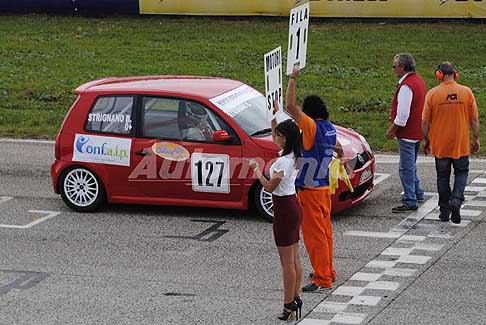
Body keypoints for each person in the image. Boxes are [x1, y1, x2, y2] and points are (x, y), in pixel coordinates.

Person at [286, 67, 343, 293]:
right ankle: (328, 270)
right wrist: (341, 155)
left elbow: (290, 107)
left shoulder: (310, 126)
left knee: (314, 236)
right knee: (325, 233)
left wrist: (292, 78)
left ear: (309, 113)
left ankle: (322, 279)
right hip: (323, 187)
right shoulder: (329, 127)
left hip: (310, 190)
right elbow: (337, 148)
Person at [249, 100, 303, 321]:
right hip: (293, 205)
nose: (274, 137)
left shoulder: (281, 163)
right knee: (296, 258)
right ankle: (296, 297)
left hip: (283, 209)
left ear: (285, 139)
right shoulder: (293, 156)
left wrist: (257, 172)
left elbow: (270, 186)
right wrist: (274, 116)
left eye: (278, 135)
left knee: (286, 263)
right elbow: (276, 134)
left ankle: (288, 303)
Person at [422, 62, 480, 224]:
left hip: (440, 145)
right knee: (461, 173)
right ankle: (456, 200)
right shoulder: (466, 92)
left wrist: (426, 140)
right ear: (456, 73)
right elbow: (474, 119)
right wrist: (476, 139)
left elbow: (425, 122)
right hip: (461, 144)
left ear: (439, 74)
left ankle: (444, 210)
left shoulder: (433, 94)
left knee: (442, 177)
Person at [386, 53, 427, 213]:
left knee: (406, 167)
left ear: (402, 67)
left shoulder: (406, 87)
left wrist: (392, 129)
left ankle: (410, 199)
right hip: (418, 131)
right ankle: (418, 192)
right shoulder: (418, 80)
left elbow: (403, 115)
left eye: (394, 65)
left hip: (408, 133)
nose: (393, 68)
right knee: (411, 165)